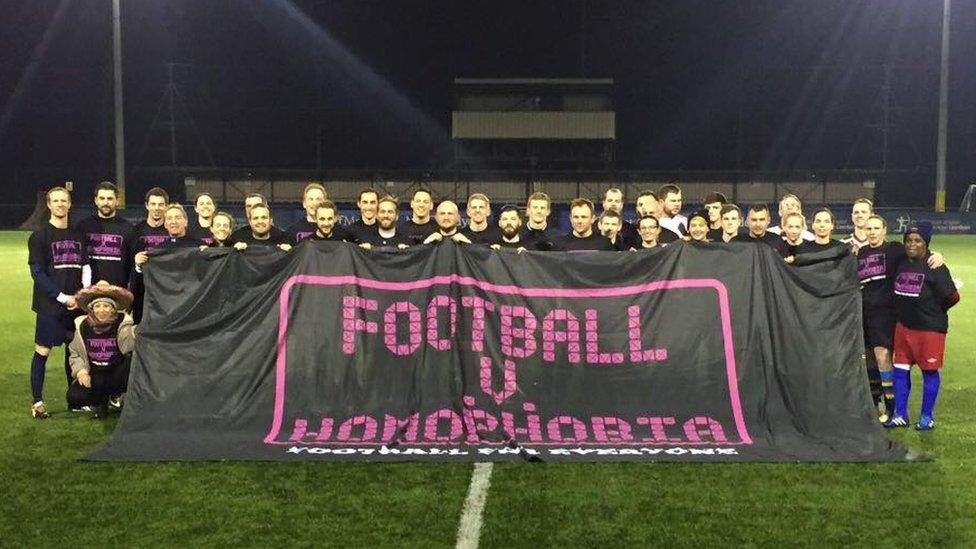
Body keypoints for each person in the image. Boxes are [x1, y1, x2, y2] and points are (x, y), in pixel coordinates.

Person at [857, 214, 943, 421]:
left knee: (883, 359)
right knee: (871, 359)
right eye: (869, 229)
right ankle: (877, 401)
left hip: (886, 314)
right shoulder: (861, 252)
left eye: (876, 228)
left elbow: (917, 253)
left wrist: (938, 255)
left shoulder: (894, 249)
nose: (872, 232)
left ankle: (892, 406)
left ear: (885, 230)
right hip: (865, 313)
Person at [885, 221, 960, 430]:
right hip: (903, 328)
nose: (912, 244)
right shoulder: (901, 261)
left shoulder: (935, 266)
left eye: (918, 241)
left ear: (926, 243)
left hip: (929, 330)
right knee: (900, 371)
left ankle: (926, 416)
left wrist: (933, 312)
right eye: (908, 240)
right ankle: (900, 414)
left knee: (929, 371)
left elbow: (953, 297)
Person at [27, 186, 91, 418]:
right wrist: (63, 298)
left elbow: (85, 266)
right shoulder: (39, 236)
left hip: (76, 305)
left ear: (70, 204)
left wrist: (82, 294)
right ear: (49, 205)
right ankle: (37, 402)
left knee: (73, 352)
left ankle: (74, 399)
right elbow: (37, 273)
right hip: (51, 306)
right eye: (56, 201)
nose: (60, 204)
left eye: (64, 201)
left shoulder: (77, 235)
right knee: (42, 352)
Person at [66, 282, 135, 418]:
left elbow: (132, 349)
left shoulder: (123, 323)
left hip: (117, 372)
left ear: (113, 308)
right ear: (91, 309)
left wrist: (130, 333)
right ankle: (105, 399)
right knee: (73, 396)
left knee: (132, 361)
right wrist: (81, 372)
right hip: (95, 374)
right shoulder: (83, 325)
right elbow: (75, 353)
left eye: (106, 306)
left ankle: (110, 397)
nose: (101, 310)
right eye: (97, 306)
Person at [75, 181, 132, 287]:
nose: (106, 202)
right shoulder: (83, 227)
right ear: (96, 200)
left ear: (117, 201)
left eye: (110, 199)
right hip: (88, 290)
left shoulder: (127, 228)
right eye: (102, 198)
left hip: (118, 290)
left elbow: (131, 263)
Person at [127, 187, 170, 324]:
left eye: (161, 204)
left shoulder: (171, 231)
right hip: (142, 290)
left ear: (166, 206)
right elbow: (130, 264)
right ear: (147, 205)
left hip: (166, 290)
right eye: (153, 204)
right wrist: (136, 262)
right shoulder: (136, 231)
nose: (157, 208)